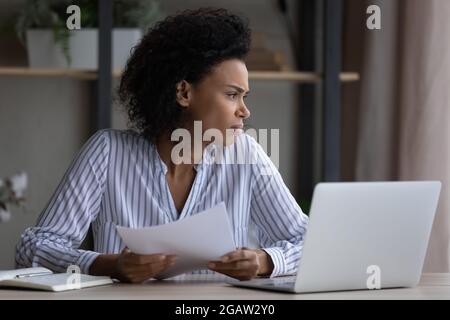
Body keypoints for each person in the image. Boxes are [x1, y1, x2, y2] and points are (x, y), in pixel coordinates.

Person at [15, 8, 308, 283]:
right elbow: (33, 247)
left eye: (244, 97)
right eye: (232, 95)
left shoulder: (247, 155)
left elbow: (309, 241)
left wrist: (266, 260)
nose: (245, 111)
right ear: (183, 93)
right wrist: (110, 265)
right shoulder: (108, 153)